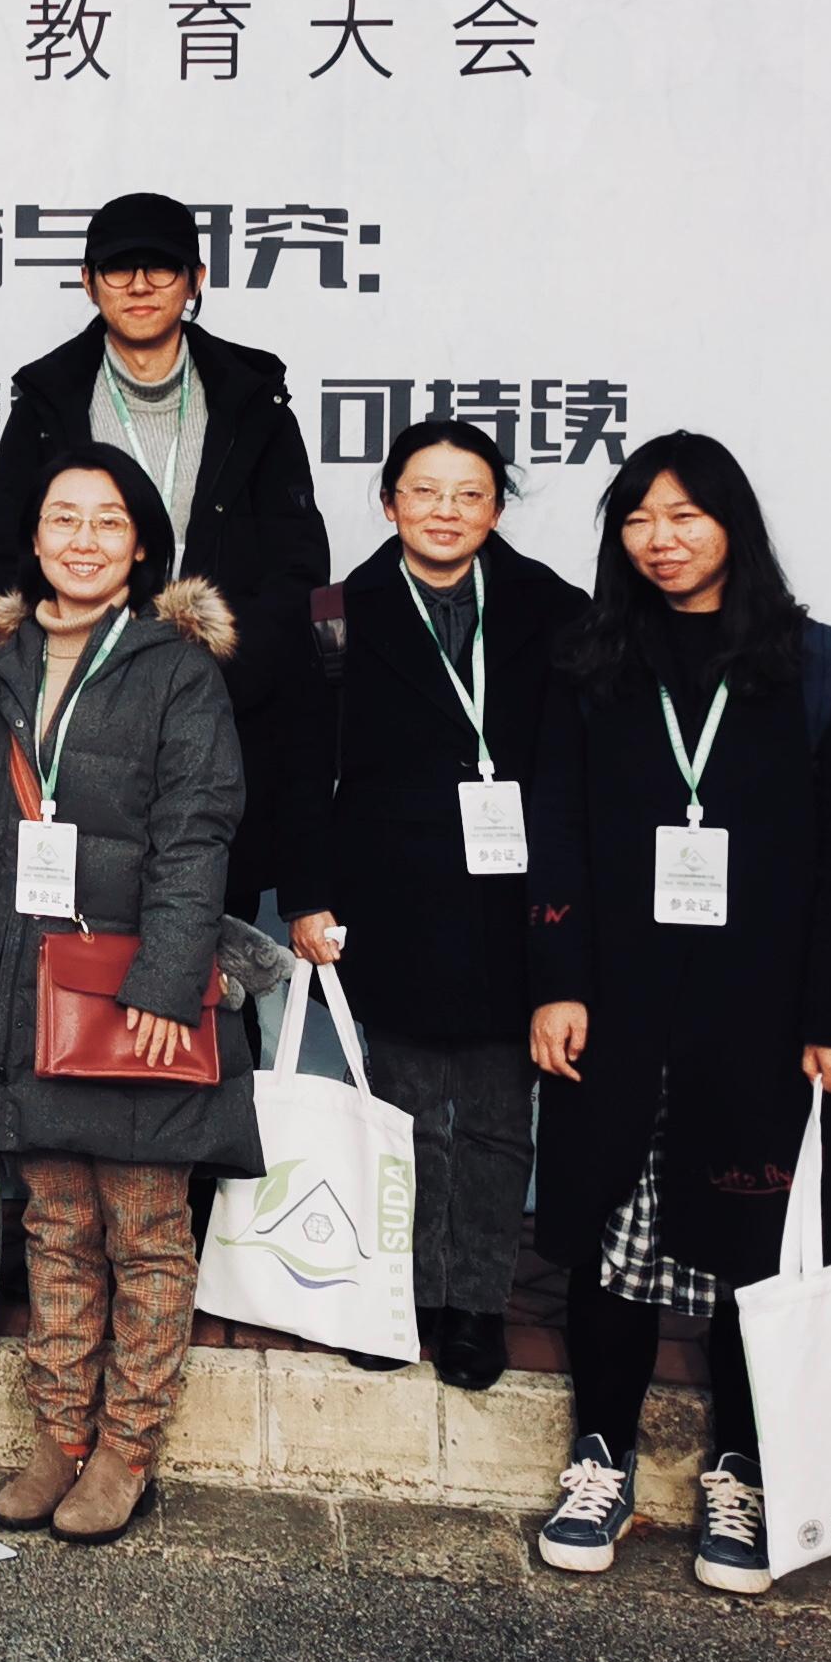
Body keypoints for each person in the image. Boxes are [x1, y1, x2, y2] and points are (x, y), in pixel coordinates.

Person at [525, 432, 831, 1596]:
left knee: (759, 1249)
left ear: (733, 523)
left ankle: (744, 1470)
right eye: (639, 518)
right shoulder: (590, 665)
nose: (662, 540)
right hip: (619, 1008)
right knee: (609, 1239)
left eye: (685, 515)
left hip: (764, 1017)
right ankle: (601, 1456)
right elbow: (556, 834)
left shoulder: (819, 667)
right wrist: (557, 980)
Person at [0, 443, 254, 1544]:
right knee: (53, 1224)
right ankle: (60, 1435)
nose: (81, 539)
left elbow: (197, 829)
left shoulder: (175, 668)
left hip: (135, 993)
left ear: (141, 547)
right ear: (33, 536)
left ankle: (128, 1446)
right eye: (63, 517)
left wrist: (169, 980)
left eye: (107, 522)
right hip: (24, 981)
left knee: (144, 1231)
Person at [298, 419, 586, 1394]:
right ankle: (402, 1297)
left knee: (501, 1120)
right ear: (390, 503)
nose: (446, 512)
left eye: (470, 494)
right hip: (395, 899)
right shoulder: (337, 614)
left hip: (521, 903)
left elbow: (581, 770)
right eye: (424, 491)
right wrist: (309, 897)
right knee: (405, 1113)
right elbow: (304, 772)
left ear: (496, 508)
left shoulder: (556, 611)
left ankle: (477, 1305)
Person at [0, 191, 332, 942]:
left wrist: (210, 678)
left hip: (223, 707)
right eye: (118, 268)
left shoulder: (252, 399)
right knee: (67, 954)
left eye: (161, 267)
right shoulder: (47, 397)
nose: (139, 285)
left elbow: (296, 567)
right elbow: (8, 554)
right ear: (88, 282)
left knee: (202, 944)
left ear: (196, 278)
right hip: (78, 716)